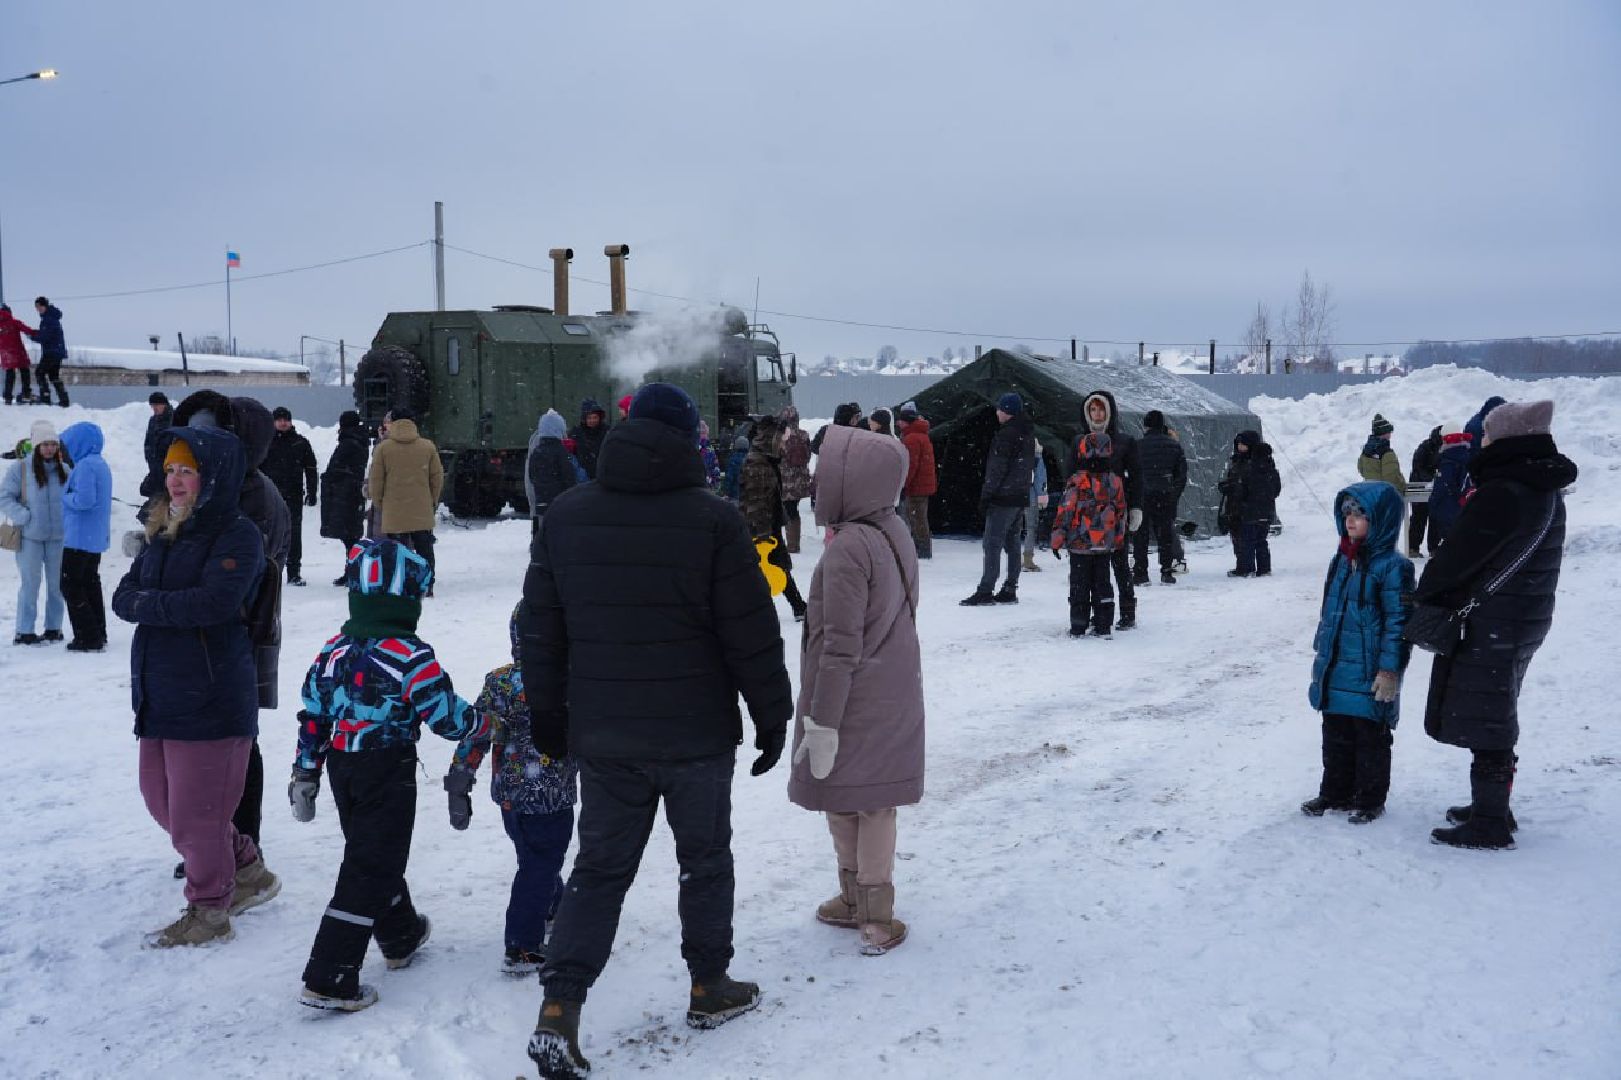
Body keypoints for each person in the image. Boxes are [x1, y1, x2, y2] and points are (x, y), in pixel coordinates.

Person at [520, 382, 792, 1078]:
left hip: (606, 737)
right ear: (685, 440)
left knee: (599, 869)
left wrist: (549, 719)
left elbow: (541, 635)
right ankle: (709, 985)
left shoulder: (568, 516)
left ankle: (559, 1007)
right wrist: (770, 714)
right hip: (696, 734)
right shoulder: (713, 520)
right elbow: (749, 632)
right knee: (703, 861)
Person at [290, 539, 487, 1009]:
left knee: (370, 851)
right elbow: (444, 716)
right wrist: (480, 722)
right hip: (387, 766)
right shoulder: (409, 655)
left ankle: (400, 934)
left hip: (342, 766)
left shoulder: (334, 650)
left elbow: (313, 714)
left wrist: (305, 771)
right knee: (369, 865)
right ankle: (330, 975)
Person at [112, 425, 277, 948]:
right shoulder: (165, 528)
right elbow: (121, 595)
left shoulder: (237, 533)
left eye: (187, 470)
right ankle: (246, 868)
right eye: (171, 471)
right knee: (163, 804)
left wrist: (150, 606)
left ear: (212, 477)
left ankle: (210, 910)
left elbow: (214, 604)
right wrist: (155, 606)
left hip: (210, 695)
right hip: (160, 692)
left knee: (195, 816)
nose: (176, 481)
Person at [788, 424, 923, 956]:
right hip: (891, 689)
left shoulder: (849, 550)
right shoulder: (893, 529)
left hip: (853, 697)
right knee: (858, 799)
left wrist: (822, 721)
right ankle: (859, 902)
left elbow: (839, 648)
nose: (820, 481)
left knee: (860, 802)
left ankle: (873, 913)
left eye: (830, 471)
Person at [1418, 401, 1575, 850]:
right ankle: (1493, 805)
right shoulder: (1542, 485)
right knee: (1495, 707)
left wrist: (1427, 595)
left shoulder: (1505, 491)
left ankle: (1489, 820)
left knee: (1490, 718)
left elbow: (1459, 557)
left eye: (1487, 433)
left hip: (1497, 618)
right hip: (1521, 616)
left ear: (1505, 438)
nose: (1481, 440)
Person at [171, 392, 291, 868]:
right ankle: (210, 839)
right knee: (200, 749)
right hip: (196, 641)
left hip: (236, 638)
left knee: (236, 745)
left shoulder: (255, 496)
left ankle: (241, 842)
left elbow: (234, 581)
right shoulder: (212, 489)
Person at [447, 605, 579, 976]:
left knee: (534, 857)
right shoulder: (569, 681)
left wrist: (460, 777)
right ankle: (522, 946)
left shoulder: (499, 683)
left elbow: (478, 732)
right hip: (551, 798)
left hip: (510, 797)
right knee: (539, 863)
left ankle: (554, 906)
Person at [1302, 483, 1415, 825]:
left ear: (1380, 520)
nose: (1350, 521)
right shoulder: (1341, 559)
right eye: (1347, 513)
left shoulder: (1394, 567)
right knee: (1335, 732)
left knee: (1370, 737)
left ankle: (1369, 798)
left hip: (1370, 671)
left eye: (1359, 515)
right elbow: (1329, 609)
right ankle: (1335, 791)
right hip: (1337, 666)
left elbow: (1399, 623)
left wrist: (1390, 670)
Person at [1071, 391, 1143, 628]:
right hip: (1087, 517)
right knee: (1092, 568)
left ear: (1109, 412)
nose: (1098, 414)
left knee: (1120, 563)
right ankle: (1097, 613)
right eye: (1093, 409)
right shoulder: (1078, 441)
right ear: (1087, 412)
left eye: (1101, 409)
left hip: (1116, 512)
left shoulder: (1124, 442)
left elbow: (1136, 478)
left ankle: (1128, 610)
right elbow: (1070, 477)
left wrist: (1135, 508)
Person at [961, 393, 1035, 607]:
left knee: (992, 544)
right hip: (1019, 496)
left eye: (1000, 409)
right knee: (1012, 544)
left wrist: (986, 495)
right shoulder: (1027, 433)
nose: (997, 412)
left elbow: (997, 469)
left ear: (1007, 411)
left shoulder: (1006, 435)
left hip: (1002, 498)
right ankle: (1010, 588)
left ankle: (985, 590)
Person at [1050, 432, 1127, 637]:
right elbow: (1120, 513)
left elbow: (1066, 511)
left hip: (1079, 544)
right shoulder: (1115, 481)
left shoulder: (1077, 481)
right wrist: (1118, 539)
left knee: (1079, 584)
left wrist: (1057, 539)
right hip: (1104, 544)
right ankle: (1103, 625)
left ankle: (1078, 624)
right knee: (1103, 583)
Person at [1, 420, 68, 644]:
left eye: (53, 444)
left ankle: (53, 628)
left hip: (58, 538)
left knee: (57, 586)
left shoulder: (65, 470)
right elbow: (4, 496)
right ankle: (24, 630)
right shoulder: (20, 468)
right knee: (30, 585)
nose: (49, 448)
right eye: (45, 444)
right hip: (30, 537)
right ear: (36, 446)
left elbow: (72, 499)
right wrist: (24, 516)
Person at [740, 414, 808, 620]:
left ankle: (798, 606)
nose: (786, 444)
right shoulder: (758, 464)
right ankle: (793, 607)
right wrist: (762, 537)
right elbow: (756, 503)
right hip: (762, 529)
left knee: (776, 568)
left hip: (769, 526)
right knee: (767, 569)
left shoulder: (766, 459)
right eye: (784, 440)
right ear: (773, 438)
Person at [368, 406, 443, 588]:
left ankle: (399, 583)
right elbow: (437, 478)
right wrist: (431, 501)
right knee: (424, 549)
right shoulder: (427, 446)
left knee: (397, 549)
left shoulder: (384, 449)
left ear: (392, 423)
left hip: (394, 510)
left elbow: (376, 481)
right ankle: (427, 583)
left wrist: (380, 503)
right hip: (421, 508)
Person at [59, 421, 112, 652]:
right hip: (93, 537)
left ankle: (88, 636)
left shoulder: (85, 466)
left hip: (79, 537)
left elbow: (84, 500)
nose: (66, 451)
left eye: (68, 446)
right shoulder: (99, 463)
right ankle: (98, 631)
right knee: (90, 582)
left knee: (70, 584)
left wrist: (65, 497)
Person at [263, 406, 320, 586]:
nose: (283, 422)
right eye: (279, 419)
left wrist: (312, 492)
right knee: (268, 534)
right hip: (269, 497)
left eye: (286, 419)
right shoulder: (265, 442)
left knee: (293, 534)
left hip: (293, 496)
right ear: (273, 422)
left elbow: (311, 469)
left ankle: (294, 572)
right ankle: (267, 571)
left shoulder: (300, 443)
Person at [1133, 409, 1187, 585]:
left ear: (1146, 426)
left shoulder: (1138, 445)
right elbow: (1181, 475)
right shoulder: (1174, 445)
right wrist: (1173, 494)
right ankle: (1166, 572)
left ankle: (1141, 574)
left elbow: (1132, 474)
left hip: (1143, 496)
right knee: (1165, 535)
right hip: (1165, 496)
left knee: (1141, 536)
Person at [1218, 430, 1281, 578]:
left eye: (1243, 444)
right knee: (1260, 541)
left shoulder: (1247, 464)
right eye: (1238, 444)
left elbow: (1242, 487)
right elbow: (1275, 488)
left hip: (1246, 510)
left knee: (1245, 541)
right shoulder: (1266, 463)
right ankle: (1264, 569)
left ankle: (1245, 569)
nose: (1240, 447)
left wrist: (1230, 489)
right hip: (1264, 511)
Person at [319, 411, 370, 584]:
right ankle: (352, 570)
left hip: (344, 493)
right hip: (354, 493)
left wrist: (328, 479)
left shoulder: (348, 443)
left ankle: (353, 572)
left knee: (349, 537)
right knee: (352, 535)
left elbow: (335, 468)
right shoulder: (361, 441)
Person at [525, 408, 578, 537]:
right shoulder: (560, 451)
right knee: (557, 527)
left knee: (542, 525)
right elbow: (568, 475)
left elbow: (531, 474)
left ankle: (538, 547)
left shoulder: (537, 450)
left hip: (541, 497)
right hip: (558, 497)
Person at [897, 402, 936, 559]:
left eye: (900, 420)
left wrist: (903, 485)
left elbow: (910, 466)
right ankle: (922, 548)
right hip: (922, 485)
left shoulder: (911, 439)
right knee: (919, 517)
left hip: (916, 487)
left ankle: (922, 550)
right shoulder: (921, 435)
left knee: (917, 519)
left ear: (905, 421)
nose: (898, 423)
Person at [1427, 421, 1472, 544]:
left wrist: (1433, 504)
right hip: (1461, 510)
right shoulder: (1466, 456)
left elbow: (1442, 487)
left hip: (1448, 510)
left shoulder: (1448, 461)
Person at [778, 407, 812, 552]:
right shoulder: (803, 435)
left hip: (785, 479)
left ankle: (791, 544)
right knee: (793, 509)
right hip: (800, 481)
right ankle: (793, 543)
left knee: (788, 510)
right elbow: (808, 455)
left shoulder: (780, 436)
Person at [1406, 425, 1443, 558]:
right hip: (1418, 487)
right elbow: (1417, 467)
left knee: (1435, 518)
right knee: (1418, 518)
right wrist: (1431, 478)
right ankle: (1413, 548)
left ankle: (1433, 547)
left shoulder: (1444, 448)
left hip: (1434, 489)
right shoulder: (1424, 448)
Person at [29, 297, 69, 406]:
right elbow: (45, 333)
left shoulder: (48, 319)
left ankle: (45, 398)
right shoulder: (51, 317)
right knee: (53, 376)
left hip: (52, 352)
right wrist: (35, 333)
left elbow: (45, 337)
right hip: (57, 351)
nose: (38, 309)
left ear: (45, 305)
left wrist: (31, 336)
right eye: (36, 307)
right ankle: (64, 400)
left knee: (39, 373)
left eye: (39, 306)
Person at [1357, 414, 1406, 496]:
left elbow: (1361, 469)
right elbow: (1391, 477)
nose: (1390, 434)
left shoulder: (1366, 450)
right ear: (1383, 433)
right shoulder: (1387, 453)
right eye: (1389, 432)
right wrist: (1402, 487)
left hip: (1370, 493)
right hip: (1385, 495)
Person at [139, 392, 174, 498]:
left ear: (164, 404)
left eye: (156, 405)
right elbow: (148, 440)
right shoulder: (153, 420)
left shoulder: (174, 419)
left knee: (167, 495)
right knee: (146, 490)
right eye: (152, 406)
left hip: (168, 467)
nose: (154, 408)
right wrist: (149, 454)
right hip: (155, 466)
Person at [1019, 452, 1049, 574]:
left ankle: (1014, 558)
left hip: (1013, 495)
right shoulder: (1036, 457)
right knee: (1030, 528)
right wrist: (1042, 497)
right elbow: (1040, 479)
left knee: (1015, 528)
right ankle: (1027, 559)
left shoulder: (1013, 453)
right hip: (1030, 495)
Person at [1, 303, 36, 404]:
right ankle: (26, 393)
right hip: (17, 351)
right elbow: (27, 330)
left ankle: (8, 397)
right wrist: (37, 334)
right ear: (9, 312)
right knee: (24, 371)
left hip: (5, 354)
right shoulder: (14, 322)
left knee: (9, 374)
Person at [568, 399, 608, 481]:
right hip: (583, 478)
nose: (592, 420)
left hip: (602, 476)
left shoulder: (607, 432)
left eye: (595, 417)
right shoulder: (576, 433)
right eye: (589, 418)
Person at [720, 434, 749, 501]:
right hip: (748, 494)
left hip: (735, 494)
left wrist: (726, 491)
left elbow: (729, 477)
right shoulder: (751, 459)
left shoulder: (733, 460)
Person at [697, 420, 724, 493]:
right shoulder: (709, 447)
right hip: (707, 485)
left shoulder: (691, 445)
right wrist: (716, 483)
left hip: (695, 487)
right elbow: (715, 466)